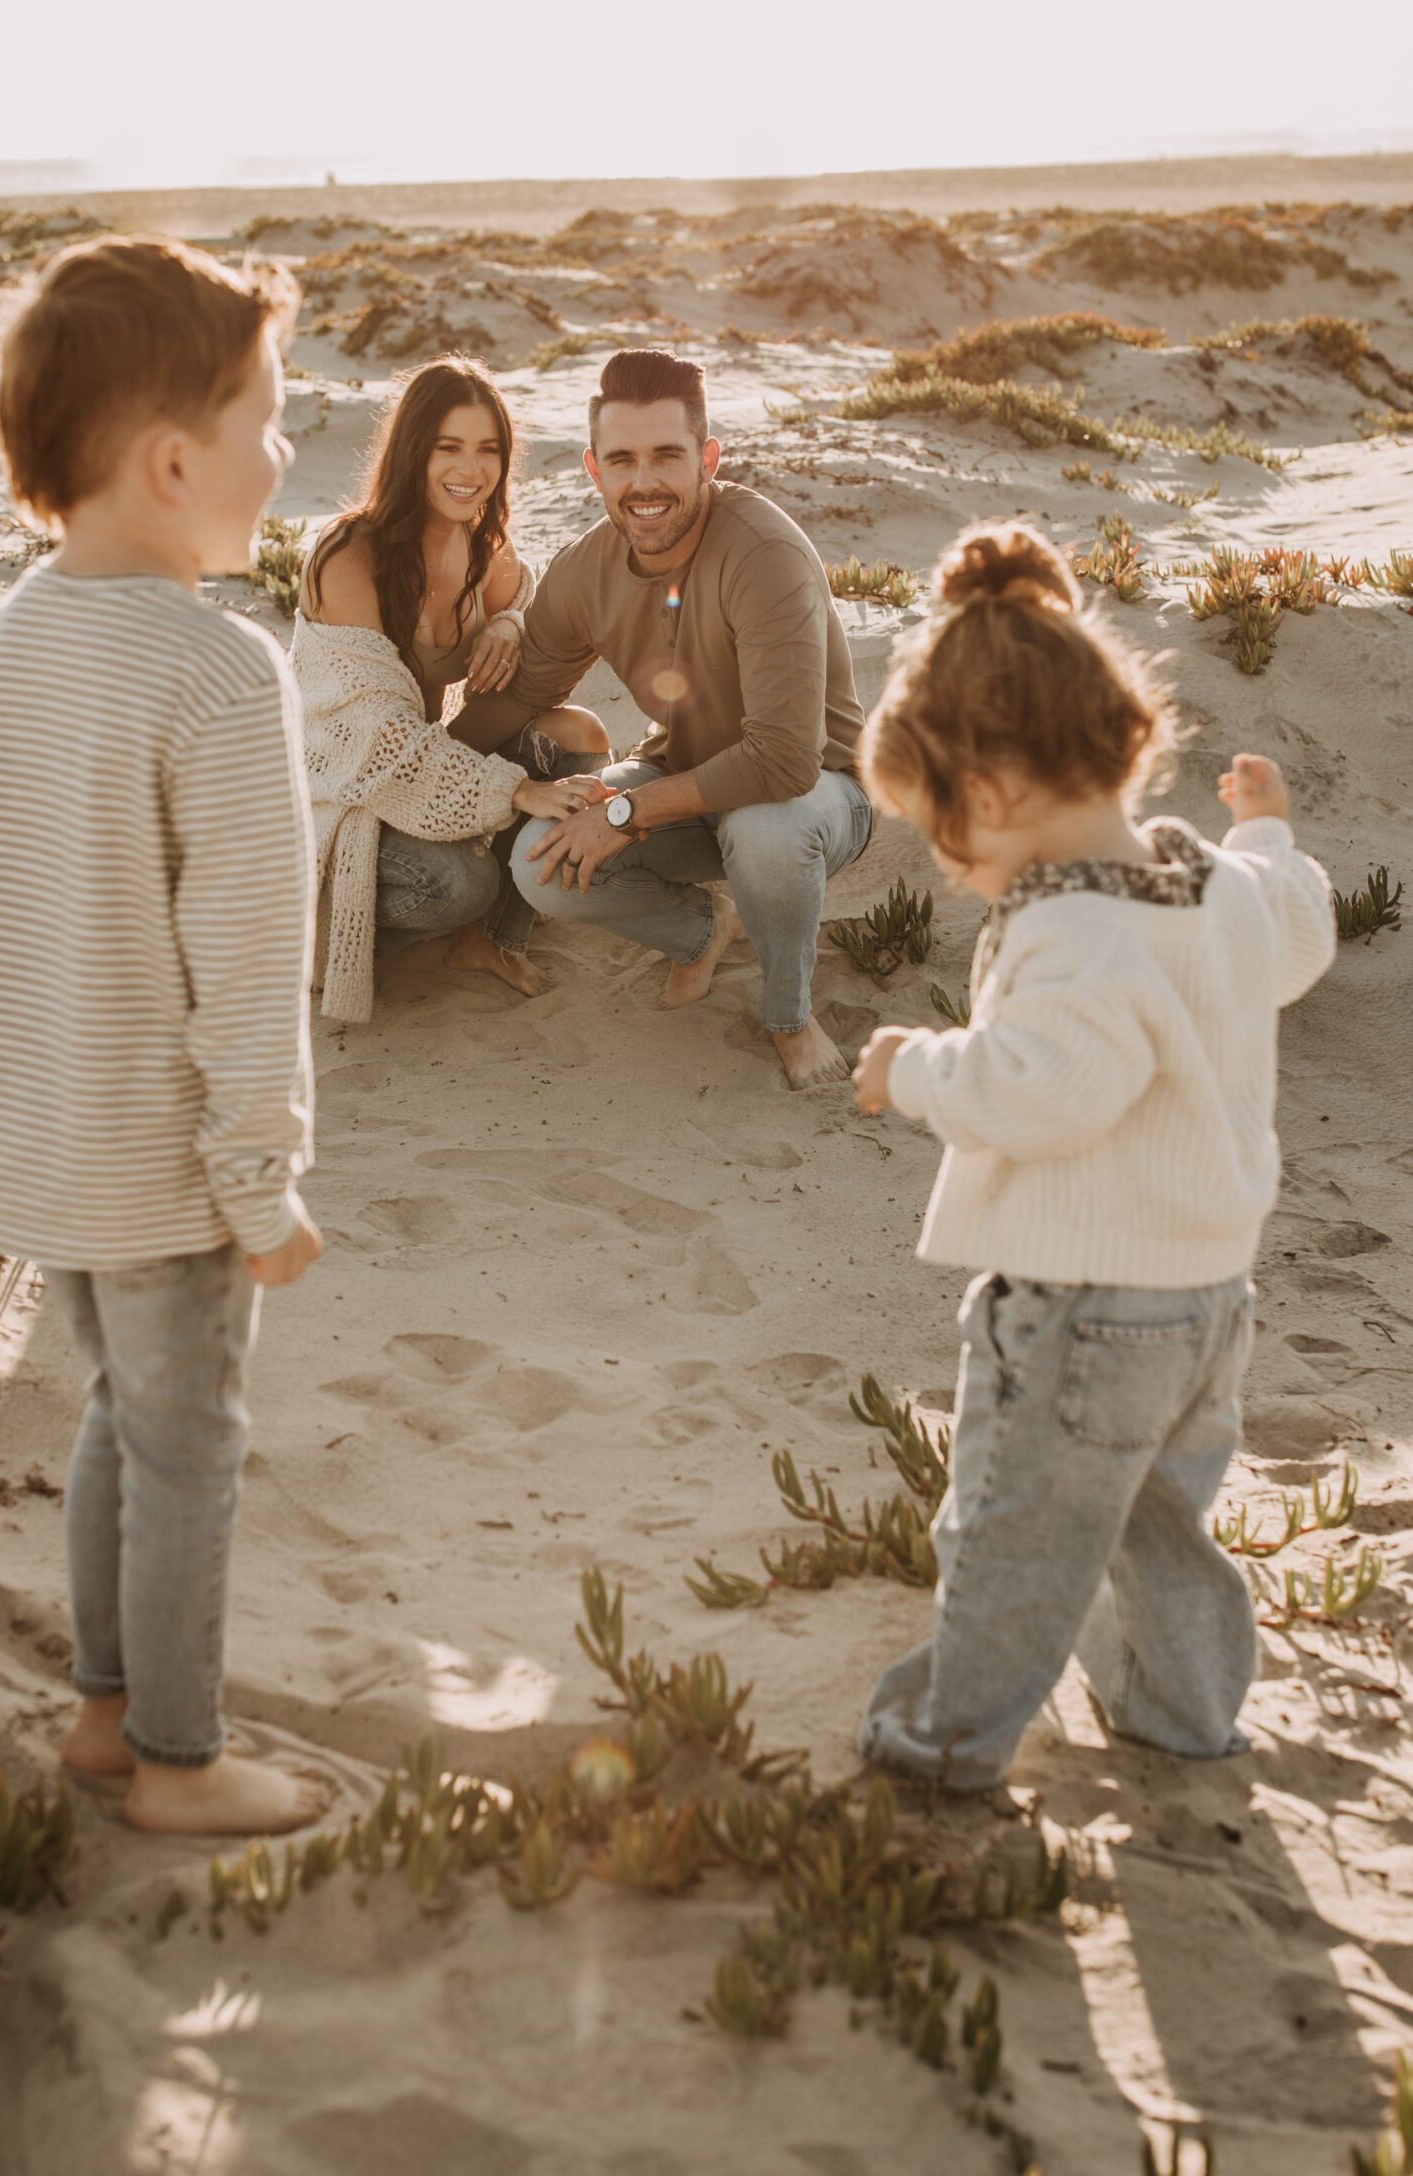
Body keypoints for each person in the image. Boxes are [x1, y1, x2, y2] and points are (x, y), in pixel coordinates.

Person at [0, 235, 331, 1837]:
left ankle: (102, 1713)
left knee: (120, 1417)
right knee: (190, 1448)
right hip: (160, 1168)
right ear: (171, 461)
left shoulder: (2, 641)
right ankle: (176, 1756)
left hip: (39, 1144)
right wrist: (258, 1177)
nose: (283, 452)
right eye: (268, 419)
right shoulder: (220, 673)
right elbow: (245, 962)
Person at [848, 521, 1335, 1789]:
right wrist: (1271, 835)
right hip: (1204, 1303)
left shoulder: (1072, 927)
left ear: (996, 791)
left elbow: (1045, 1088)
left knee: (1012, 1532)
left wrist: (913, 1066)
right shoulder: (1214, 884)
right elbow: (1295, 936)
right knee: (1155, 1521)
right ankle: (1178, 1713)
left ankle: (942, 1740)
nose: (950, 871)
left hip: (1077, 1310)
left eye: (945, 836)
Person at [449, 347, 873, 1088]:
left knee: (763, 829)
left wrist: (622, 814)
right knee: (539, 859)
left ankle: (789, 1017)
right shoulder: (586, 569)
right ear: (594, 469)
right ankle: (704, 934)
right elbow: (516, 700)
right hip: (684, 782)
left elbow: (782, 761)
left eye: (667, 457)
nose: (644, 483)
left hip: (818, 797)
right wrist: (420, 767)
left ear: (707, 457)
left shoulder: (761, 552)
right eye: (622, 460)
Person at [295, 354, 609, 1021]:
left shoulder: (482, 546)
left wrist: (509, 623)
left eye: (488, 450)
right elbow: (383, 738)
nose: (472, 471)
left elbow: (532, 601)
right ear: (414, 451)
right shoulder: (349, 555)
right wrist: (520, 791)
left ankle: (487, 939)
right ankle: (318, 933)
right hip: (344, 793)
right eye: (450, 448)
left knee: (579, 737)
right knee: (458, 882)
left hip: (425, 768)